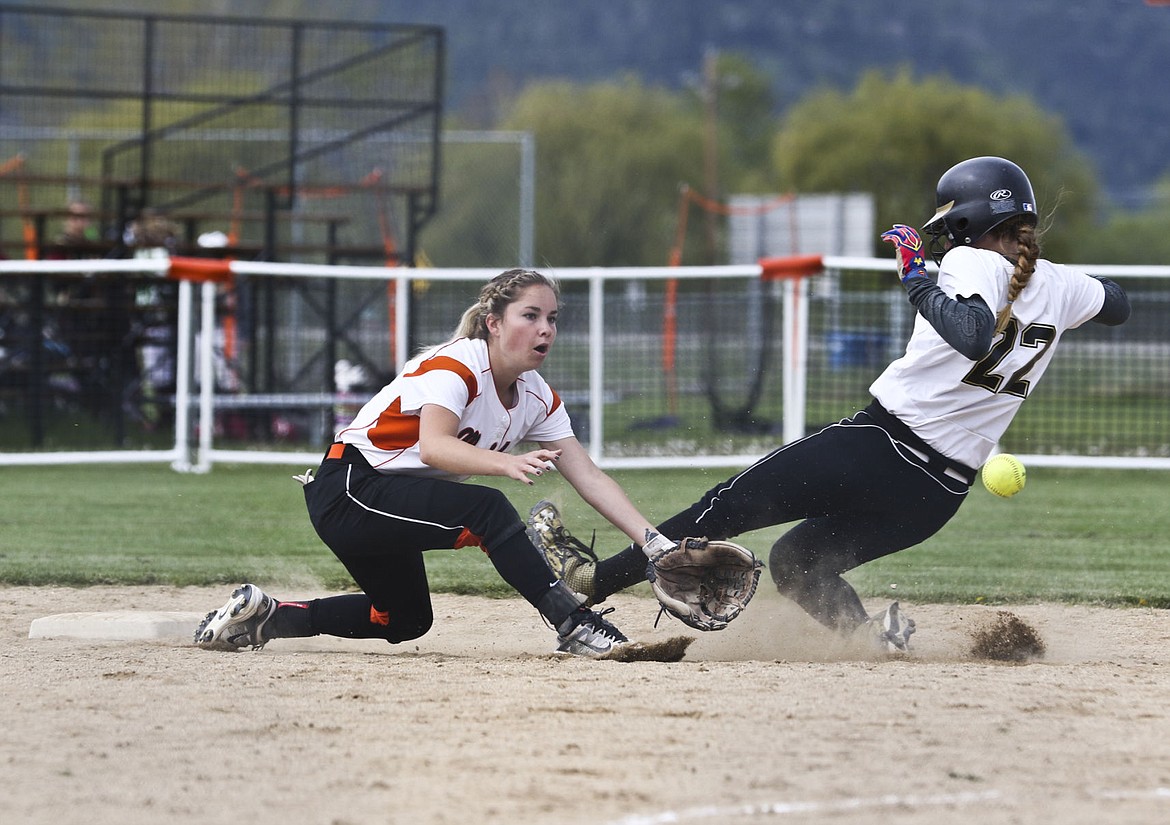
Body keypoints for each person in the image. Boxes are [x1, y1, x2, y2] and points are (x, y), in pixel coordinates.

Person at [529, 156, 1131, 652]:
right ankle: (873, 644)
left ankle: (590, 584)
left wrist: (917, 277)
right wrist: (1066, 290)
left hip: (879, 448)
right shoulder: (1059, 284)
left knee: (723, 509)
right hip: (937, 495)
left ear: (971, 222)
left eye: (952, 226)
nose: (945, 239)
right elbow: (1118, 301)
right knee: (796, 563)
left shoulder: (968, 261)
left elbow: (973, 333)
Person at [195, 268, 680, 657]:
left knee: (405, 620)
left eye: (552, 318)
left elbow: (589, 476)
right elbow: (434, 447)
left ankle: (266, 617)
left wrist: (655, 543)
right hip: (348, 490)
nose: (545, 329)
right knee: (487, 509)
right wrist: (504, 463)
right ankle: (574, 624)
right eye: (529, 316)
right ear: (493, 322)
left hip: (390, 500)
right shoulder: (459, 365)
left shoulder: (537, 396)